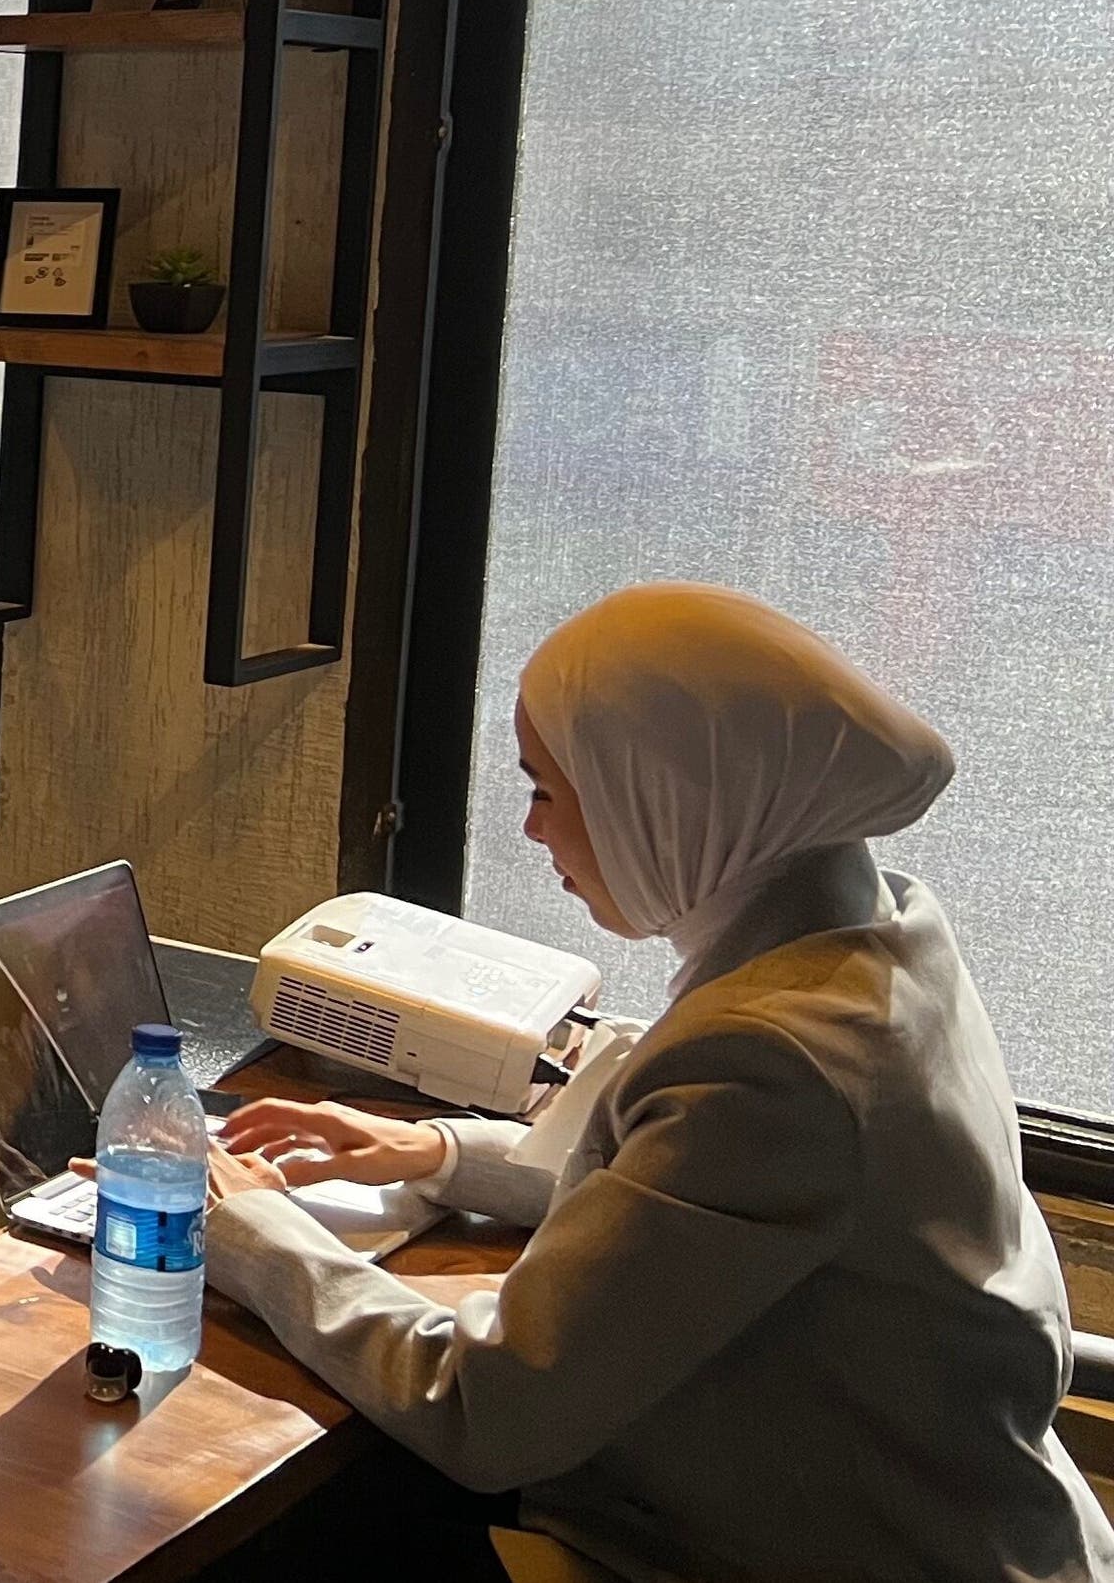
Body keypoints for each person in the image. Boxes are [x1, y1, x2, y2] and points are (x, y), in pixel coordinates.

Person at [197, 582, 1114, 1583]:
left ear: (665, 790)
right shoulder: (883, 935)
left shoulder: (775, 1057)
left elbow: (484, 1406)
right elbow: (715, 1207)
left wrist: (251, 1234)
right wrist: (444, 1152)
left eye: (548, 787)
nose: (532, 828)